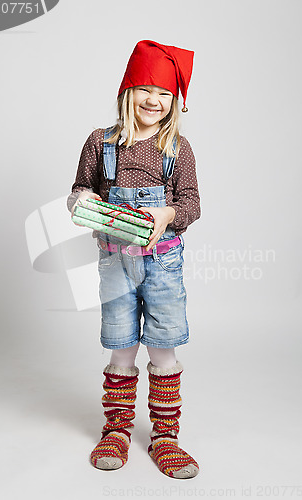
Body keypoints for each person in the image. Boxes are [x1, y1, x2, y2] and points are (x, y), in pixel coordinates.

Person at [67, 40, 201, 479]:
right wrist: (82, 201)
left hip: (163, 265)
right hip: (114, 263)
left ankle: (165, 437)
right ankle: (117, 431)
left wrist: (166, 213)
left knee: (163, 348)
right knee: (121, 346)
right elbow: (78, 191)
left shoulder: (178, 149)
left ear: (174, 101)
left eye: (163, 93)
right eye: (144, 88)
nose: (153, 100)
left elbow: (192, 205)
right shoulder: (100, 143)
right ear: (127, 90)